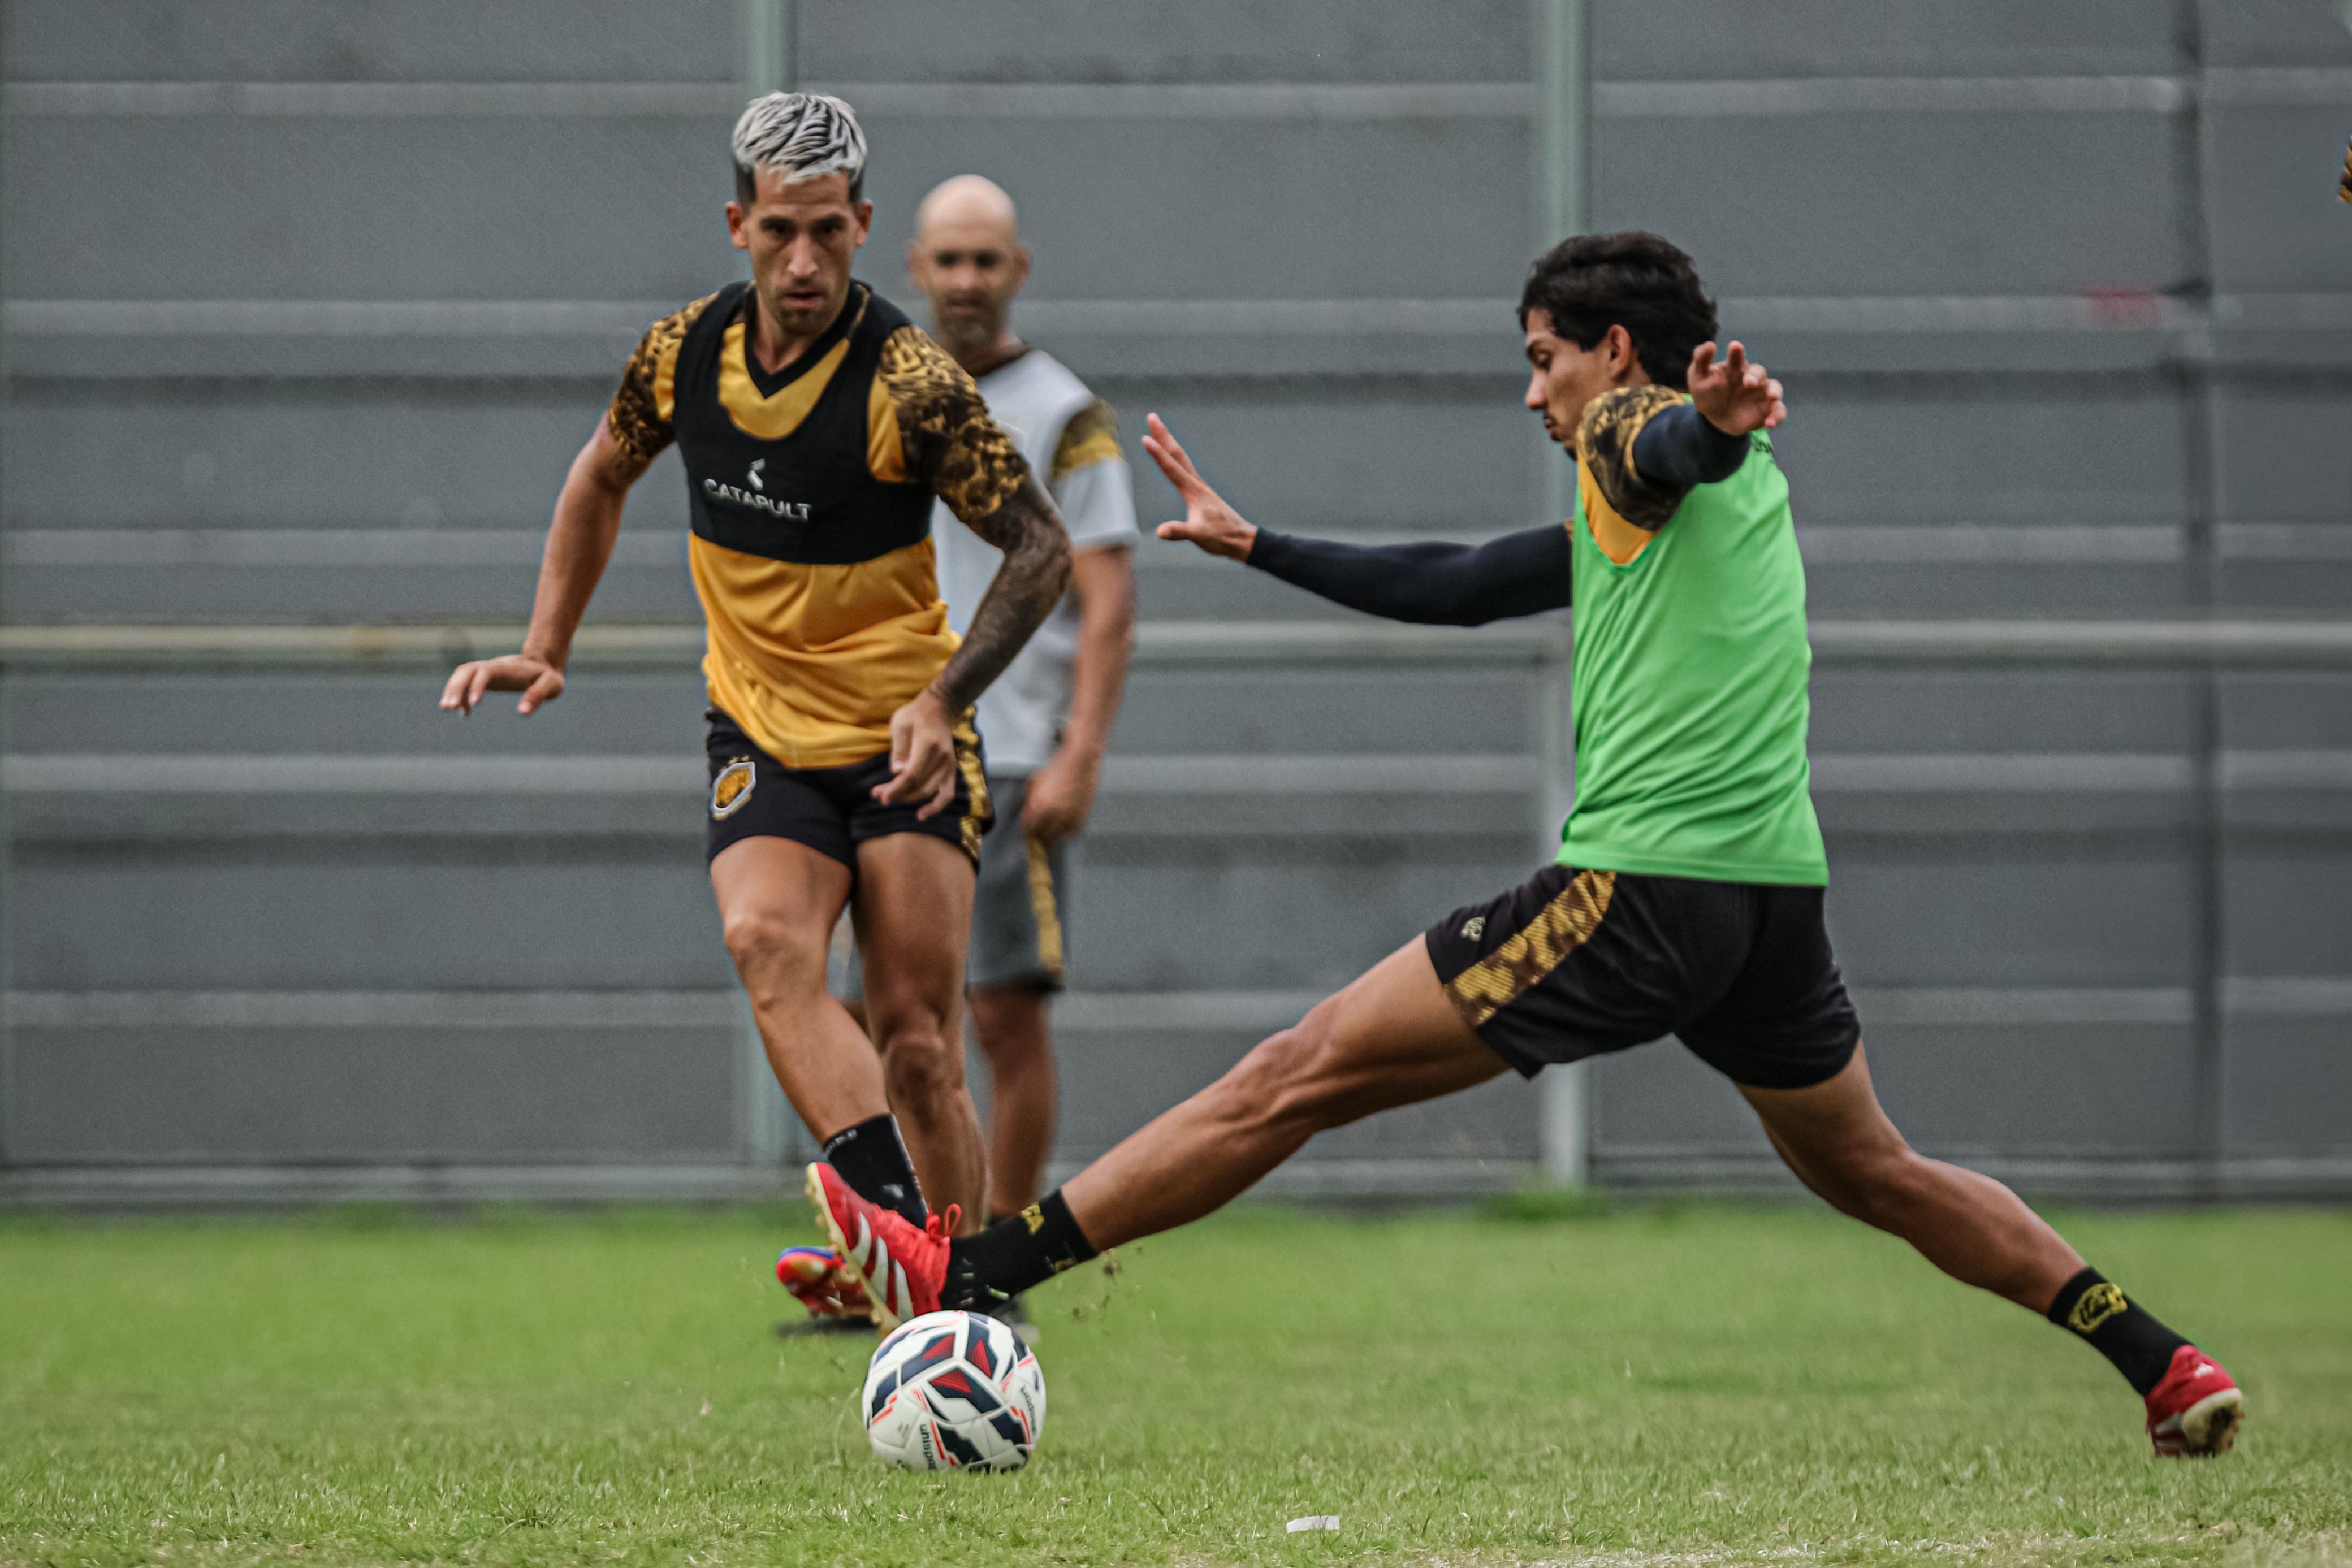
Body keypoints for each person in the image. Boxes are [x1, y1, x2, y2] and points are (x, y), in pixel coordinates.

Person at [805, 232, 2246, 1458]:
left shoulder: (1636, 437)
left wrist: (1707, 415)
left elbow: (1662, 436)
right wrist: (1264, 545)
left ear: (1612, 353)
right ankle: (2162, 1360)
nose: (1533, 390)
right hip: (1766, 904)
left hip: (1641, 889)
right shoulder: (1692, 497)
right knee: (1876, 1169)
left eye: (1543, 358)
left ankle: (972, 1264)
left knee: (1290, 1075)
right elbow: (1474, 581)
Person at [438, 93, 1072, 1326]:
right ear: (737, 223)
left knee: (919, 1046)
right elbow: (599, 474)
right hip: (761, 732)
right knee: (766, 944)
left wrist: (947, 699)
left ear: (862, 226)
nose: (802, 261)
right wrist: (543, 645)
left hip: (906, 749)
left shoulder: (911, 381)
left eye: (828, 232)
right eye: (779, 230)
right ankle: (909, 1260)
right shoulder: (682, 354)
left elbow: (1040, 550)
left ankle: (968, 1303)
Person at [831, 175, 1140, 1334]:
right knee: (889, 1019)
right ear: (912, 264)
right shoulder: (871, 387)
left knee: (1004, 1017)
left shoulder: (1066, 411)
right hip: (883, 743)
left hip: (1007, 755)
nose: (965, 282)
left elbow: (1106, 599)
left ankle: (998, 1251)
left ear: (1020, 268)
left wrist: (1081, 751)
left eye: (986, 262)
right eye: (947, 261)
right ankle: (907, 1254)